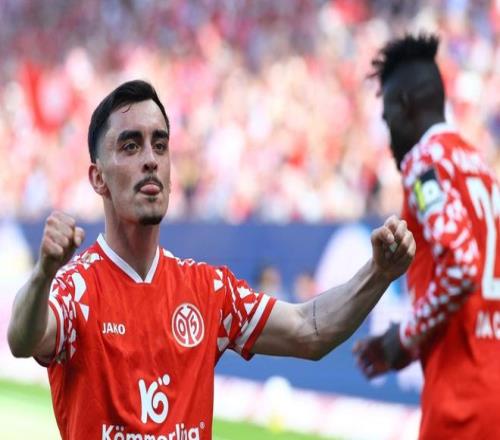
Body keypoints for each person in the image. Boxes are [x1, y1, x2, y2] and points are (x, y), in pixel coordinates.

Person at [7, 80, 414, 440]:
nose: (150, 158)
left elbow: (309, 330)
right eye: (131, 145)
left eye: (160, 145)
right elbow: (22, 339)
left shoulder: (206, 289)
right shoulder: (75, 288)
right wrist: (44, 272)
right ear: (98, 178)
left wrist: (379, 273)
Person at [353, 34, 500, 439]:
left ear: (404, 105)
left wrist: (403, 338)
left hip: (462, 404)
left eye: (388, 120)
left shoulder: (424, 163)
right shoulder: (480, 167)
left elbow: (461, 266)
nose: (389, 141)